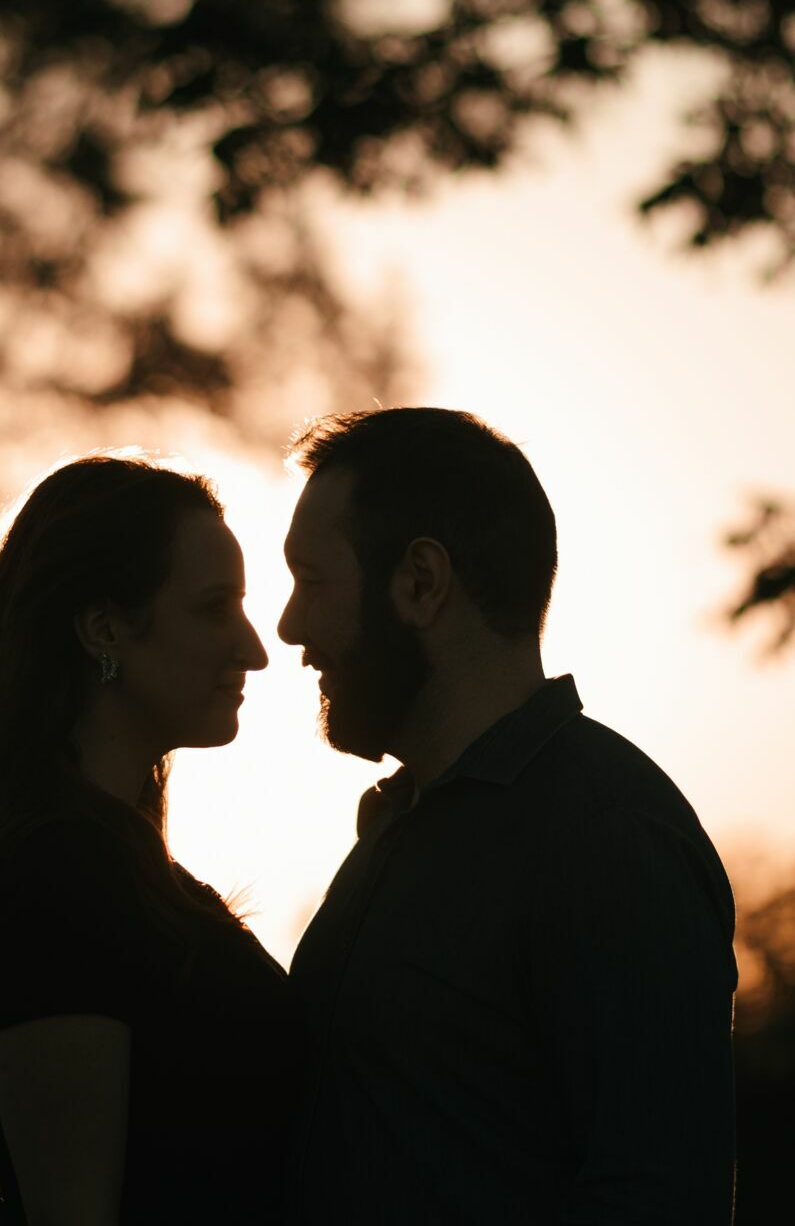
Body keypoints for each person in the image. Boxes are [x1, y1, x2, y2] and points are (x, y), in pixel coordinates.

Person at [278, 406, 738, 1225]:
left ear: (420, 582)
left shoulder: (608, 835)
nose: (289, 627)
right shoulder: (399, 823)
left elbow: (659, 1196)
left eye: (311, 582)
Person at [0, 455, 303, 1226]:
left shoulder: (115, 868)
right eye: (215, 608)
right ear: (104, 626)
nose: (253, 649)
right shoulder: (57, 877)